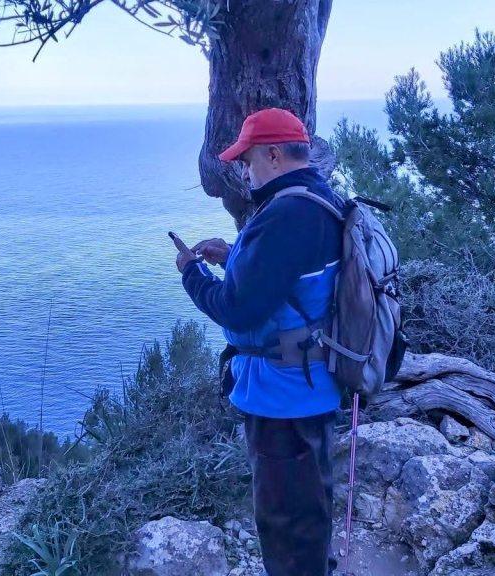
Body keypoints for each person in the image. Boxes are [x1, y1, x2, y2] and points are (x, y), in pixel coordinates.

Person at [174, 108, 344, 576]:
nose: (245, 173)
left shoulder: (287, 214)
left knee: (285, 522)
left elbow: (237, 309)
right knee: (308, 508)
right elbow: (289, 280)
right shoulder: (316, 198)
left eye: (247, 161)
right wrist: (233, 256)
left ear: (273, 154)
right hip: (311, 385)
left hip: (283, 398)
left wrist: (192, 273)